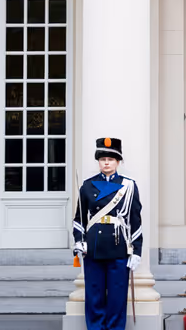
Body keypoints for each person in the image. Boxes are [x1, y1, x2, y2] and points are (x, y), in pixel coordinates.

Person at [72, 137, 143, 330]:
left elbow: (135, 220)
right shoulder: (87, 186)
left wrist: (137, 251)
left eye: (110, 159)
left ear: (118, 162)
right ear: (98, 161)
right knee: (94, 295)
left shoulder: (129, 186)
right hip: (93, 247)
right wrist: (79, 241)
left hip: (119, 246)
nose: (106, 162)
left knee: (117, 296)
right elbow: (79, 219)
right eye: (102, 159)